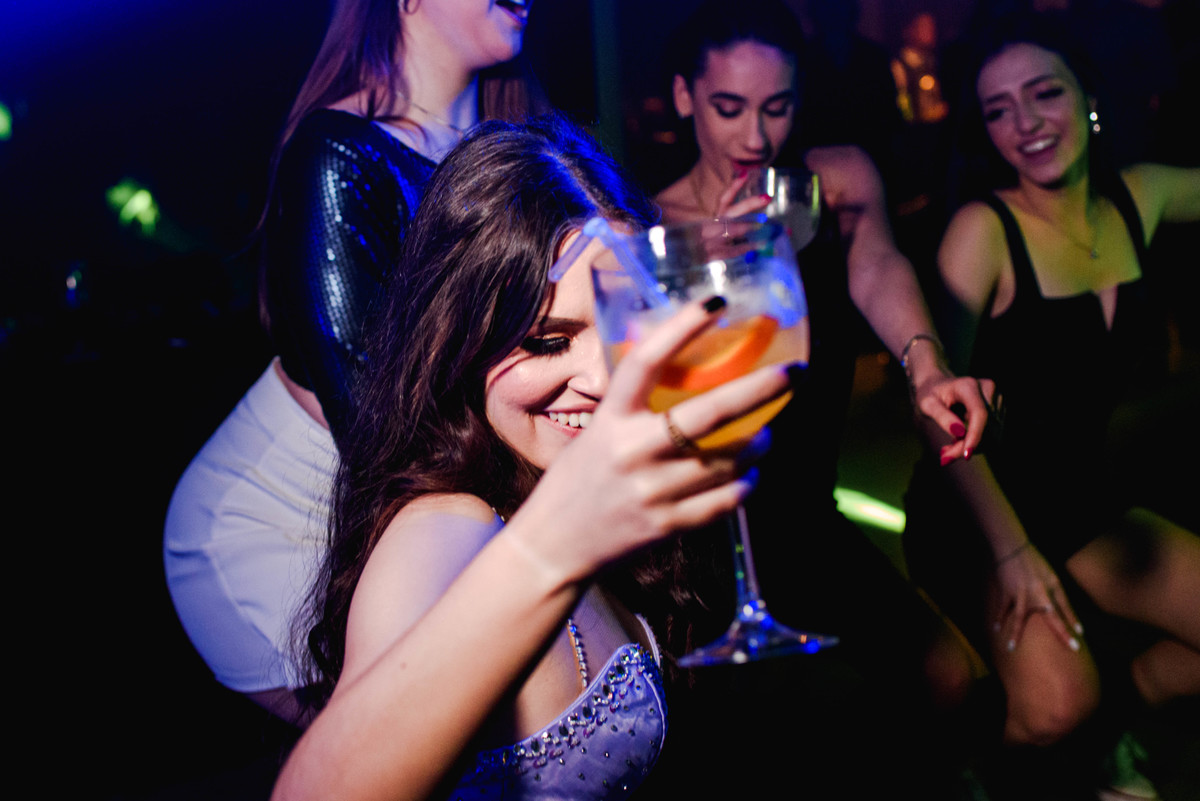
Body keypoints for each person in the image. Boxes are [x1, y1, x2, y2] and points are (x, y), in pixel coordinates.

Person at [270, 116, 795, 801]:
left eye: (627, 324)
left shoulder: (595, 498)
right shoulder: (442, 526)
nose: (604, 378)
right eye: (548, 341)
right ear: (457, 342)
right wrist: (556, 543)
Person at [647, 1, 997, 795]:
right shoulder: (648, 227)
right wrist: (724, 270)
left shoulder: (832, 186)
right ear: (683, 97)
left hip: (806, 512)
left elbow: (877, 267)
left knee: (952, 681)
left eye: (776, 107)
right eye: (728, 107)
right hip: (696, 543)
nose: (755, 136)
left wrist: (928, 366)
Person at [163, 0, 546, 724]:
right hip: (277, 525)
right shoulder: (338, 152)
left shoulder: (518, 148)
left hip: (427, 515)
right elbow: (386, 435)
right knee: (420, 751)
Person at [903, 14, 1200, 797]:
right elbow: (932, 412)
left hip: (1084, 500)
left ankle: (1109, 733)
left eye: (1045, 93)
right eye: (999, 110)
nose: (1027, 123)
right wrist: (1011, 551)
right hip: (976, 510)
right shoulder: (983, 230)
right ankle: (971, 772)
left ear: (1087, 97)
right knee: (1057, 707)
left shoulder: (1141, 196)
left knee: (1092, 705)